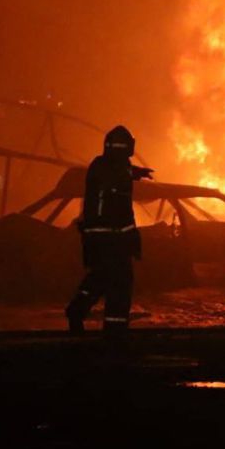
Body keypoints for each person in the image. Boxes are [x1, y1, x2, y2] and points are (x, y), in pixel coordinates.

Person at [65, 126, 153, 334]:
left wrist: (135, 172)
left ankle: (79, 312)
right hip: (109, 240)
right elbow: (114, 181)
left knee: (102, 279)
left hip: (111, 239)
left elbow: (118, 173)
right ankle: (113, 330)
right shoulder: (106, 169)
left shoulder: (108, 166)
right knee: (118, 284)